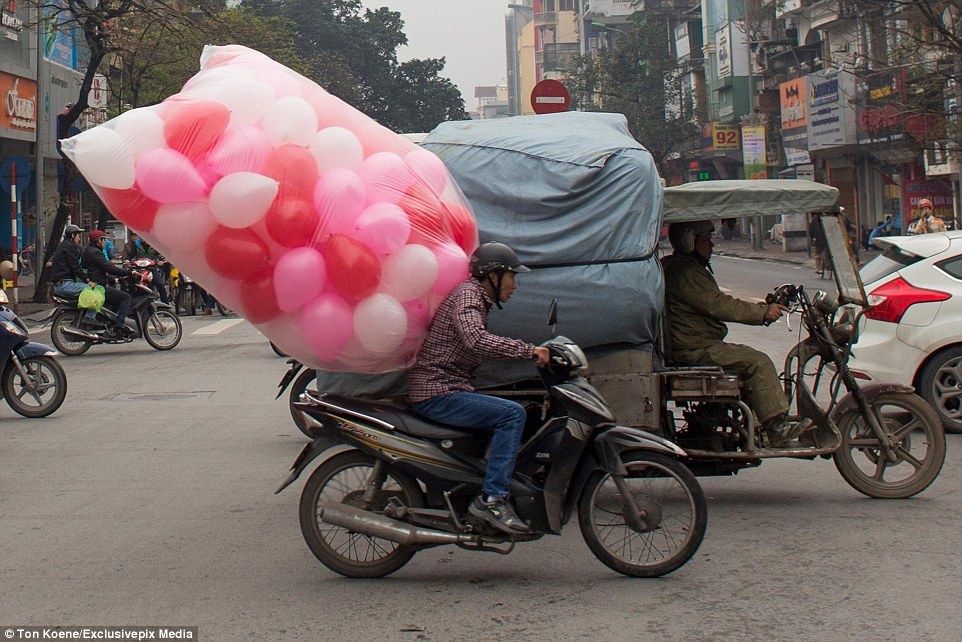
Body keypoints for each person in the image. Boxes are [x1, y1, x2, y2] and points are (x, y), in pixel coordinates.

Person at [408, 242, 550, 534]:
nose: (516, 285)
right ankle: (492, 500)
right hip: (438, 391)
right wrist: (528, 351)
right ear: (493, 275)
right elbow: (476, 339)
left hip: (451, 387)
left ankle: (481, 485)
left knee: (523, 412)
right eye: (512, 276)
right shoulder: (468, 296)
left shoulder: (476, 298)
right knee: (511, 415)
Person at [661, 220, 809, 446]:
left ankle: (759, 421)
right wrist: (762, 314)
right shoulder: (684, 271)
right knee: (757, 361)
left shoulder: (681, 266)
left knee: (748, 358)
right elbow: (719, 305)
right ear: (690, 240)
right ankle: (776, 428)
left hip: (694, 342)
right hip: (694, 348)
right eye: (706, 239)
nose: (711, 245)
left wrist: (762, 307)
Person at [84, 230, 139, 337]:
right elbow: (109, 268)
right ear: (98, 241)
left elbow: (98, 271)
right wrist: (129, 272)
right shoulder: (95, 253)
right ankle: (119, 325)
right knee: (126, 297)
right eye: (103, 239)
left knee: (116, 301)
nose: (105, 242)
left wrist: (115, 280)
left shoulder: (89, 251)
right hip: (99, 287)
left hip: (97, 284)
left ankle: (110, 324)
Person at [124, 231, 170, 304]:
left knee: (160, 284)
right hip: (139, 270)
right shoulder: (136, 245)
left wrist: (160, 261)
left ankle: (166, 304)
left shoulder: (154, 245)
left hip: (152, 269)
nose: (143, 239)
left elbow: (161, 255)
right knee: (131, 285)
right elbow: (130, 255)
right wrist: (127, 260)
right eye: (142, 236)